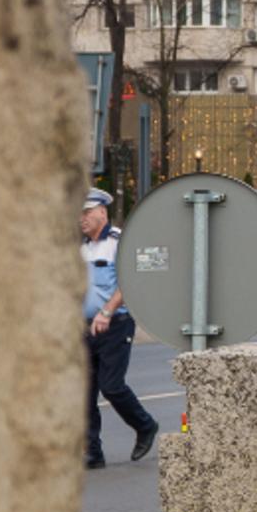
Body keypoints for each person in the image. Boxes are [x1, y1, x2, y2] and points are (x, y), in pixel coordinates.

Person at [80, 188, 158, 470]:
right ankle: (92, 453)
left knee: (111, 386)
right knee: (84, 393)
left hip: (115, 324)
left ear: (102, 212)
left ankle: (145, 425)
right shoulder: (80, 247)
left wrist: (106, 311)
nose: (81, 219)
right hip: (84, 328)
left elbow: (131, 282)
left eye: (86, 212)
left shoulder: (119, 242)